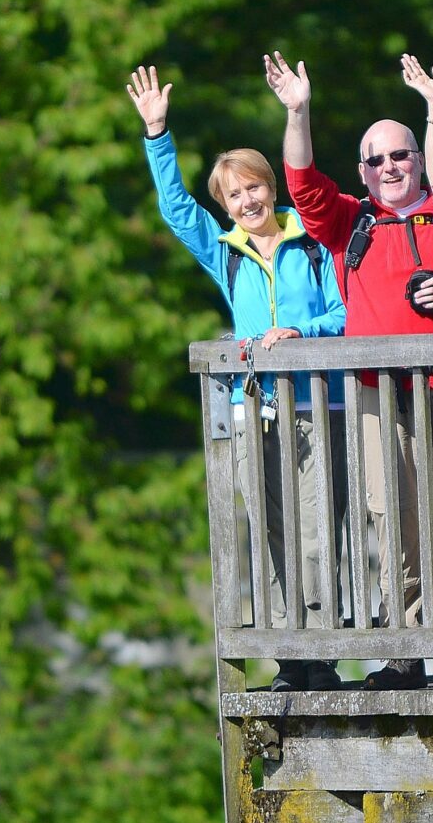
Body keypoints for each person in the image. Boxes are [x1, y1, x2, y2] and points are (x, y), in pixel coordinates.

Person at [129, 66, 347, 691]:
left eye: (253, 189)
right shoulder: (227, 251)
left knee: (315, 526)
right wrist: (156, 133)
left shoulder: (311, 240)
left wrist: (302, 335)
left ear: (269, 187)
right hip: (256, 409)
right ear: (225, 206)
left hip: (316, 406)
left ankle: (321, 650)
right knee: (272, 528)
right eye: (234, 196)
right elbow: (175, 209)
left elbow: (341, 312)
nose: (247, 203)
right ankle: (290, 654)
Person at [265, 48, 433, 690]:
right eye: (376, 159)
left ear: (418, 160)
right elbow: (299, 180)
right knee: (393, 516)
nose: (389, 167)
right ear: (363, 170)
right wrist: (299, 111)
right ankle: (406, 650)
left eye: (400, 155)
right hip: (376, 394)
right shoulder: (350, 221)